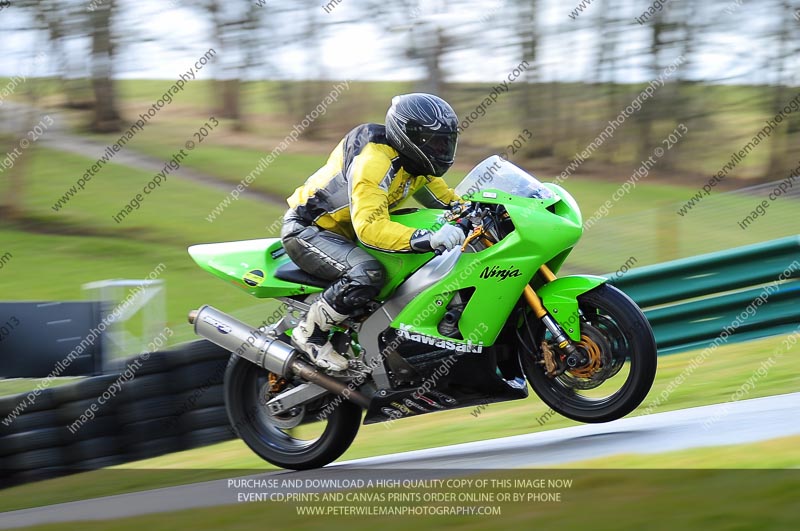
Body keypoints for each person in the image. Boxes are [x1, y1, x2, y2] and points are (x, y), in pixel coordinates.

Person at [281, 93, 465, 371]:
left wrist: (493, 208)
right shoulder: (374, 163)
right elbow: (370, 228)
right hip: (309, 230)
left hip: (345, 235)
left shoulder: (419, 165)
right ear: (409, 138)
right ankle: (311, 333)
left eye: (446, 142)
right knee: (368, 273)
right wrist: (425, 239)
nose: (442, 150)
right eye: (435, 142)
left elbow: (449, 202)